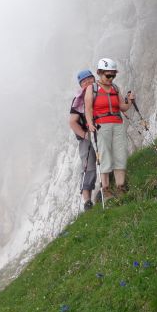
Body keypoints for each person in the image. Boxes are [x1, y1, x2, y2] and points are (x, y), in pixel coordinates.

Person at [84, 58, 134, 200]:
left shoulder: (115, 88)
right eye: (108, 75)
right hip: (101, 126)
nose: (111, 78)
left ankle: (120, 187)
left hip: (117, 124)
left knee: (120, 153)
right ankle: (105, 189)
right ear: (100, 73)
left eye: (113, 75)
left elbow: (122, 107)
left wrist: (129, 101)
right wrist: (90, 123)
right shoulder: (92, 88)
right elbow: (88, 108)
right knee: (104, 156)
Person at [69, 70, 97, 211]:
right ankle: (87, 201)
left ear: (94, 79)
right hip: (87, 137)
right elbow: (73, 122)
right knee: (88, 167)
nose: (87, 83)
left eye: (89, 79)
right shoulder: (78, 100)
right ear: (80, 85)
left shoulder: (99, 93)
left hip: (101, 132)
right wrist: (85, 135)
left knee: (107, 159)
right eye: (84, 81)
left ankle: (107, 188)